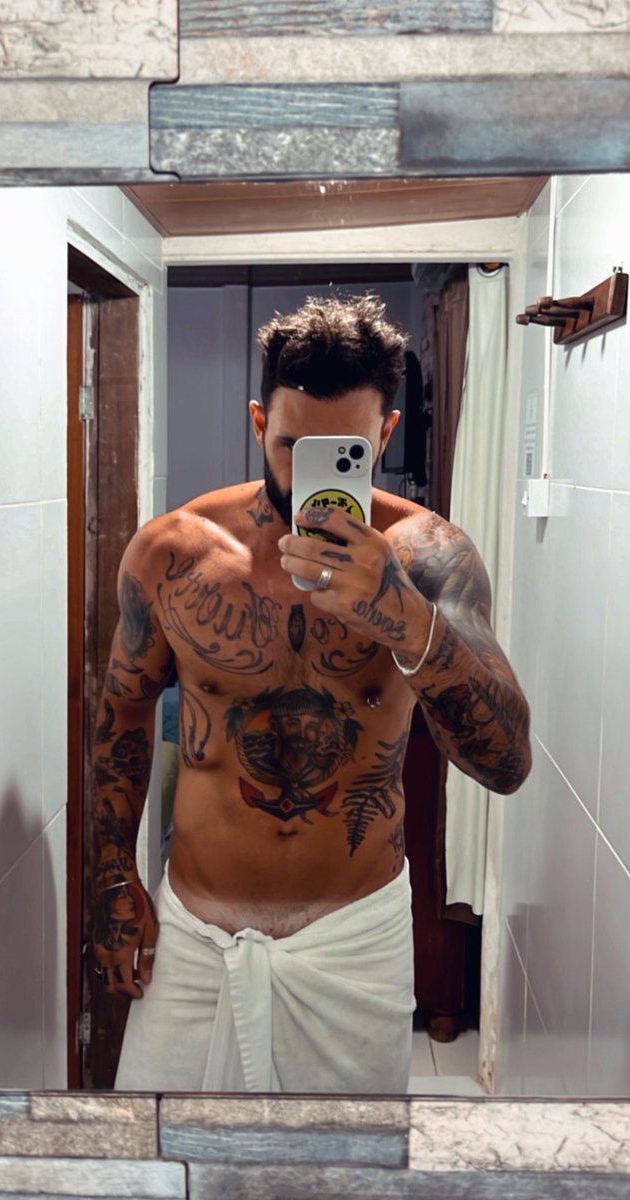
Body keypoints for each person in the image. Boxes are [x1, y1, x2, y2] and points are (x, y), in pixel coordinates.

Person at [92, 294, 532, 1094]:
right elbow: (120, 715)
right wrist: (113, 880)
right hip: (194, 937)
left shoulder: (428, 556)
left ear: (383, 435)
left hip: (353, 941)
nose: (308, 473)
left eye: (343, 449)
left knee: (344, 1157)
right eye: (290, 444)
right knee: (165, 1150)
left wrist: (404, 620)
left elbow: (505, 763)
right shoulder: (172, 553)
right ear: (259, 421)